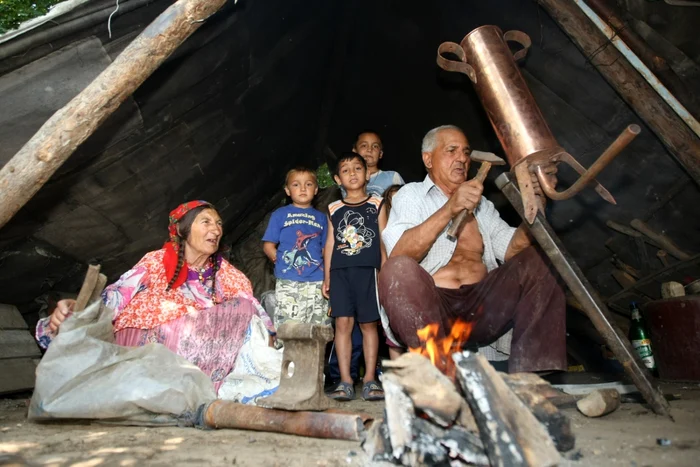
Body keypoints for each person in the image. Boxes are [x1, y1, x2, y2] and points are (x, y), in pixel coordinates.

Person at [379, 125, 566, 373]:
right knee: (397, 270)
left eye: (466, 152)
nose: (462, 158)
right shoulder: (410, 195)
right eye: (451, 150)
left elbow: (512, 248)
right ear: (428, 159)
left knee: (541, 255)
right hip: (435, 310)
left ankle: (534, 375)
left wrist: (537, 198)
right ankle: (438, 373)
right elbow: (400, 255)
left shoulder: (483, 205)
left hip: (484, 308)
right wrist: (450, 209)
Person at [36, 200, 276, 393]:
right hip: (145, 352)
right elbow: (115, 297)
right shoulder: (155, 261)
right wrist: (79, 310)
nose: (216, 229)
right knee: (168, 315)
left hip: (198, 355)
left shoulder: (227, 274)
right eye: (206, 222)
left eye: (219, 224)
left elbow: (254, 312)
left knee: (243, 308)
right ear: (183, 230)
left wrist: (271, 337)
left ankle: (200, 385)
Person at [323, 153, 388, 401]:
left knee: (369, 325)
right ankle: (346, 381)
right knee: (342, 325)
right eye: (346, 170)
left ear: (367, 173)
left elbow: (383, 243)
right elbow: (329, 244)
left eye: (357, 168)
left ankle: (370, 379)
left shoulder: (377, 204)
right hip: (340, 274)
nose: (352, 173)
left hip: (368, 272)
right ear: (338, 179)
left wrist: (384, 273)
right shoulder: (334, 208)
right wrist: (327, 276)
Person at [262, 167, 329, 328]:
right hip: (288, 280)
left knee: (317, 327)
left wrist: (327, 276)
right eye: (296, 185)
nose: (303, 188)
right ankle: (287, 352)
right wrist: (280, 260)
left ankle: (314, 353)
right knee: (288, 326)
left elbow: (326, 249)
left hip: (316, 281)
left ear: (316, 190)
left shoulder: (322, 218)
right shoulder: (280, 214)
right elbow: (268, 245)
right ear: (287, 190)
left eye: (308, 184)